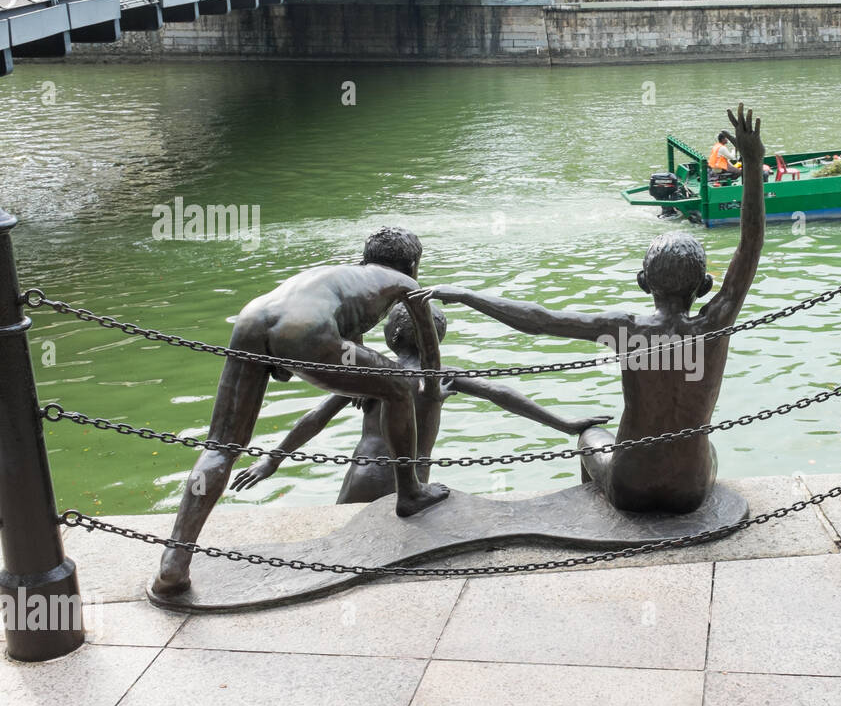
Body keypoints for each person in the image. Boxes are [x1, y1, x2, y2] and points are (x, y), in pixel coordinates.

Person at [431, 104, 768, 515]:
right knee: (707, 444)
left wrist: (468, 295)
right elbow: (750, 244)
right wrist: (752, 162)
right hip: (690, 488)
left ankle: (596, 513)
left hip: (631, 485)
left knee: (591, 438)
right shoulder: (715, 323)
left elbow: (538, 321)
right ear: (704, 286)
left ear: (643, 283)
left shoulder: (624, 328)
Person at [152, 228, 449, 596]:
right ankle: (411, 494)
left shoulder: (347, 275)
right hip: (307, 328)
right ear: (414, 264)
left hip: (254, 316)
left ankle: (174, 562)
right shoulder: (406, 283)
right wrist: (429, 390)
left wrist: (359, 380)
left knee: (222, 444)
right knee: (401, 387)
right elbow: (429, 356)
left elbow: (349, 329)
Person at [230, 303, 608, 503]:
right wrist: (565, 424)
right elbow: (504, 396)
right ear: (437, 339)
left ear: (391, 336)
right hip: (411, 480)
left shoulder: (374, 371)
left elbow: (315, 418)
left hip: (364, 474)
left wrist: (272, 459)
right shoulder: (442, 374)